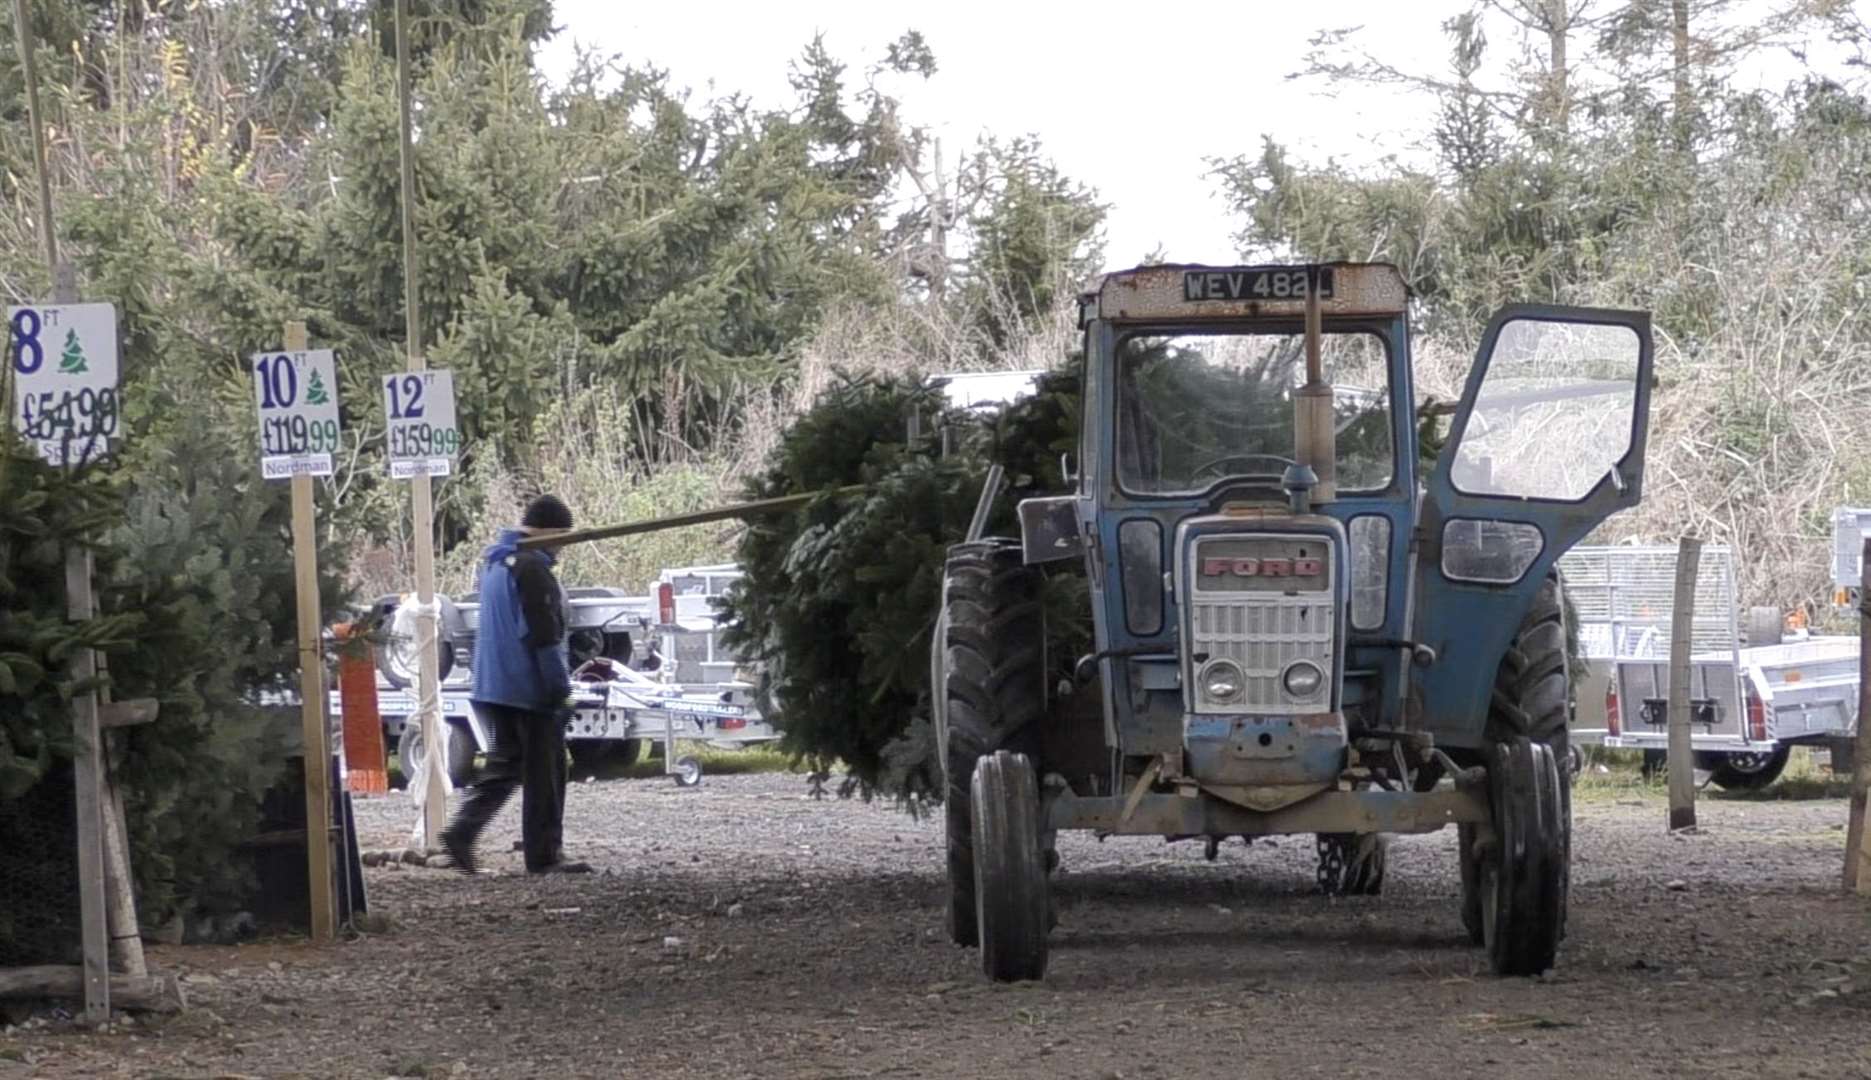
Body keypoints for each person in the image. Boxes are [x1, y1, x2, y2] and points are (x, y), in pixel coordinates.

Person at [440, 494, 591, 875]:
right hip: (528, 689)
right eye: (561, 539)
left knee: (505, 767)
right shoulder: (532, 569)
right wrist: (559, 691)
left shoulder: (495, 563)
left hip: (492, 685)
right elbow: (544, 636)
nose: (561, 549)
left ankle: (462, 833)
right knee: (547, 774)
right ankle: (545, 856)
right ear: (550, 532)